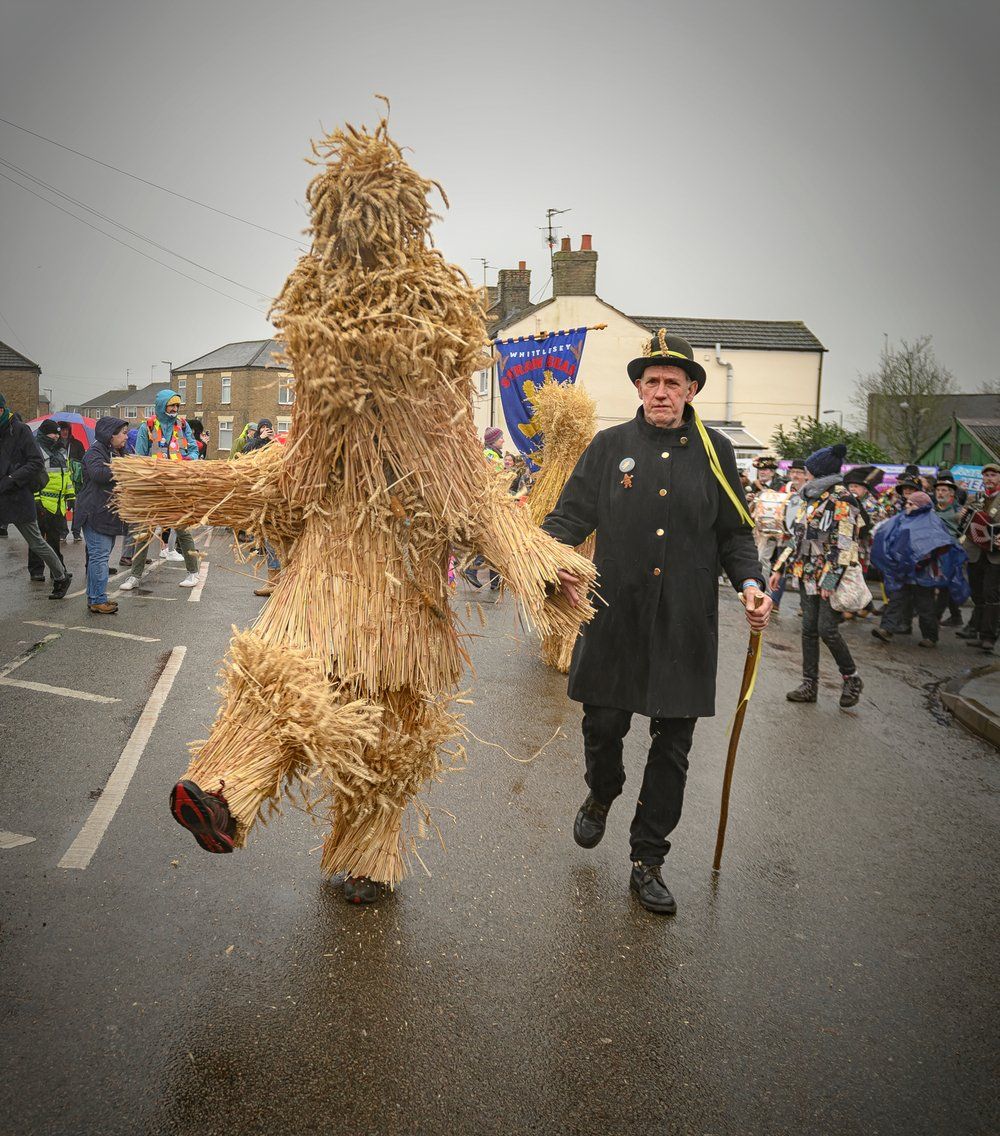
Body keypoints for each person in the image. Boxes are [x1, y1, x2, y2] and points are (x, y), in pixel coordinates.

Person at [541, 331, 771, 916]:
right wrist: (543, 563)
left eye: (673, 382)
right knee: (603, 725)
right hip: (617, 614)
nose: (662, 391)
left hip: (685, 623)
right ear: (639, 388)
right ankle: (603, 791)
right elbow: (567, 518)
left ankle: (648, 860)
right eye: (652, 381)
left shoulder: (717, 453)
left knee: (673, 747)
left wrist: (751, 583)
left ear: (692, 388)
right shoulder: (608, 445)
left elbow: (734, 533)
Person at [770, 443, 865, 708]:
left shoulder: (843, 499)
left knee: (827, 629)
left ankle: (852, 678)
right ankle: (809, 684)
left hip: (827, 577)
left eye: (809, 471)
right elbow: (798, 537)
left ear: (820, 472)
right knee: (809, 629)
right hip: (806, 574)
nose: (805, 474)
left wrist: (831, 579)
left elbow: (845, 544)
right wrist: (779, 568)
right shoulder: (811, 497)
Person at [119, 390, 201, 591]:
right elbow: (140, 455)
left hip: (176, 485)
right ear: (162, 405)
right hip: (154, 487)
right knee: (144, 531)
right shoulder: (147, 426)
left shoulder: (182, 425)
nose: (174, 409)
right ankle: (135, 576)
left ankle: (193, 573)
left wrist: (189, 459)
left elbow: (192, 448)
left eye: (177, 406)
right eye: (171, 405)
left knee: (182, 529)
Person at [870, 491, 969, 648]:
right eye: (907, 502)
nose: (907, 505)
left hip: (923, 571)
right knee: (896, 600)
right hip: (903, 569)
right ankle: (886, 629)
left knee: (925, 605)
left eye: (911, 503)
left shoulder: (931, 521)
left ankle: (930, 636)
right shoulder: (902, 518)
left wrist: (920, 560)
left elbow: (938, 543)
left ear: (921, 506)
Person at [0, 392, 73, 598]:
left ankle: (60, 577)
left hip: (19, 494)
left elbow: (36, 463)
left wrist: (12, 477)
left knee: (36, 542)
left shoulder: (20, 430)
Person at [75, 417, 129, 614]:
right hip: (94, 512)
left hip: (107, 514)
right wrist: (122, 468)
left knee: (100, 556)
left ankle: (95, 597)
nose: (126, 436)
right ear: (110, 434)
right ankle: (98, 599)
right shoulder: (94, 453)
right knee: (99, 557)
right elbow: (98, 474)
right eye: (123, 432)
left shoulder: (118, 452)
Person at [957, 462, 1000, 652]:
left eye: (993, 475)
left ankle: (989, 637)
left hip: (995, 554)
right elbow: (963, 521)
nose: (989, 479)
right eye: (986, 475)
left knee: (991, 593)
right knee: (978, 593)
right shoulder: (977, 497)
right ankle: (980, 632)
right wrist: (963, 514)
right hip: (976, 551)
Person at [28, 419, 74, 584]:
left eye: (57, 432)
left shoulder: (61, 451)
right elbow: (33, 478)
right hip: (42, 501)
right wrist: (36, 500)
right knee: (37, 539)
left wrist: (71, 496)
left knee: (54, 540)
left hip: (58, 504)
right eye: (52, 433)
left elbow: (67, 476)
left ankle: (58, 570)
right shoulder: (37, 450)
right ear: (44, 433)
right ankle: (36, 571)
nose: (56, 436)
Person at [462, 426, 505, 590]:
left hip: (494, 503)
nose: (503, 440)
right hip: (490, 504)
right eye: (501, 437)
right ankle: (472, 569)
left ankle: (495, 581)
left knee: (498, 541)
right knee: (493, 539)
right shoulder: (489, 455)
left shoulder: (494, 454)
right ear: (494, 440)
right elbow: (490, 481)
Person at [932, 471, 965, 627]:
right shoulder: (932, 509)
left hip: (950, 551)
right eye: (938, 490)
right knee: (945, 584)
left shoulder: (959, 510)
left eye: (944, 490)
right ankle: (956, 616)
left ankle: (935, 617)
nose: (940, 493)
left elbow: (966, 531)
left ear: (951, 493)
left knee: (944, 584)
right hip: (934, 550)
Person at [57, 421, 86, 542]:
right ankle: (63, 532)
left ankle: (76, 532)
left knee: (77, 507)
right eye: (62, 429)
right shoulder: (55, 445)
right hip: (61, 479)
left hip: (75, 481)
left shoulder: (77, 444)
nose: (64, 431)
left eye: (66, 429)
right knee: (62, 507)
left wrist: (74, 464)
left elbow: (83, 461)